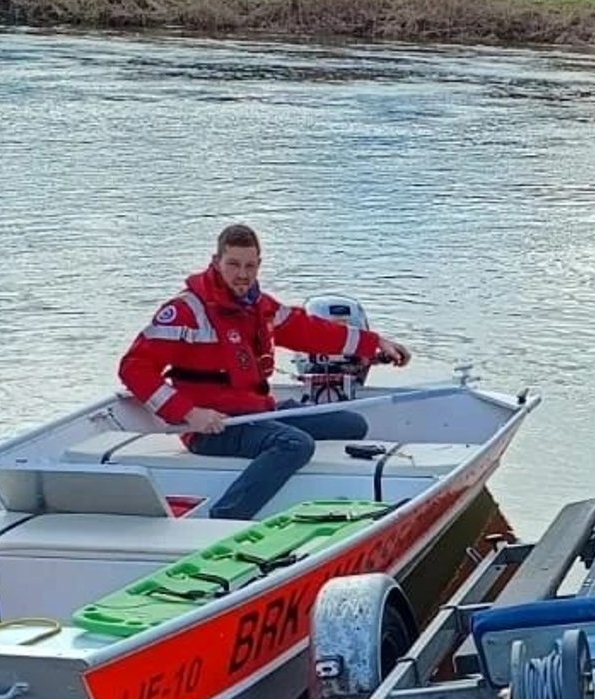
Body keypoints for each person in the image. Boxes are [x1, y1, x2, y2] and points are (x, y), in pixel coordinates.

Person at [118, 223, 411, 521]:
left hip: (257, 413)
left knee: (351, 424)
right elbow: (134, 368)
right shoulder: (186, 312)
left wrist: (375, 343)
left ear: (259, 264)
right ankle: (224, 518)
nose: (242, 274)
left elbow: (310, 332)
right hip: (213, 427)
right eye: (233, 264)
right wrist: (189, 413)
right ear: (216, 261)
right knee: (295, 443)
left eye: (249, 266)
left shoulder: (260, 306)